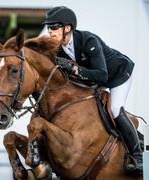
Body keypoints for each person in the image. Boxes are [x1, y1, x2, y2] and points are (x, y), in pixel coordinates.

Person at [42, 6, 142, 175]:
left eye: (54, 27)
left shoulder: (88, 41)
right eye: (48, 27)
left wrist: (74, 70)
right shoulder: (58, 50)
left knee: (115, 109)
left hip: (118, 74)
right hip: (94, 80)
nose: (50, 32)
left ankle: (137, 156)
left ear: (67, 28)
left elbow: (102, 76)